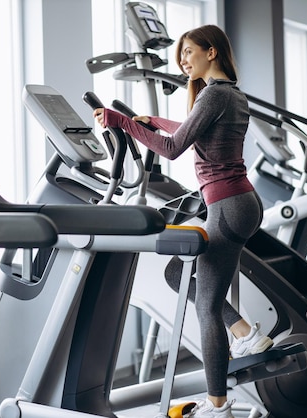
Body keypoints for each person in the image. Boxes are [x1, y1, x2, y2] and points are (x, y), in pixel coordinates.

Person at [93, 24, 273, 418]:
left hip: (228, 206)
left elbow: (174, 150)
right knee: (177, 274)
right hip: (239, 202)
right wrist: (153, 121)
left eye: (188, 52)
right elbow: (192, 132)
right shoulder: (231, 94)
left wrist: (121, 123)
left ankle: (218, 406)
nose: (183, 61)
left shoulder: (212, 94)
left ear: (211, 52)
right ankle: (244, 333)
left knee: (206, 307)